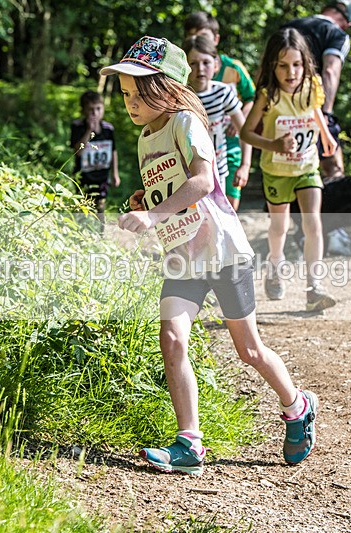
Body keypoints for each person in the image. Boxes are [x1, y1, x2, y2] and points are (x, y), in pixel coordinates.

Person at [101, 36, 318, 475]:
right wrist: (147, 199)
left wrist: (154, 213)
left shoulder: (186, 122)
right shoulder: (146, 139)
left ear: (166, 87)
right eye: (125, 93)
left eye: (138, 92)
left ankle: (297, 407)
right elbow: (173, 185)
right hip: (182, 255)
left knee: (250, 351)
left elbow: (202, 181)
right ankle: (190, 443)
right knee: (172, 337)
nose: (130, 102)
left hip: (223, 251)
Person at [240, 28, 338, 312]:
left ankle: (314, 287)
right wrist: (273, 144)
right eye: (283, 65)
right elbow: (246, 133)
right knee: (280, 226)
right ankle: (275, 265)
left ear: (305, 63)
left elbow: (315, 110)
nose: (291, 72)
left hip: (307, 167)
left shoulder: (312, 86)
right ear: (273, 65)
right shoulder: (266, 95)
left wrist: (326, 134)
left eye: (297, 64)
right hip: (276, 171)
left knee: (312, 223)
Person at [184, 11, 256, 210]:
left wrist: (245, 165)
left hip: (226, 153)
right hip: (190, 169)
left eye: (206, 63)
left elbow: (252, 99)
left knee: (226, 210)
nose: (200, 69)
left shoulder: (229, 78)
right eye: (194, 64)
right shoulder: (181, 94)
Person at [282, 0, 351, 180]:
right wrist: (326, 113)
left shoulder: (289, 28)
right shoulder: (337, 34)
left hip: (278, 107)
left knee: (282, 170)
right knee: (333, 168)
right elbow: (330, 70)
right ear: (346, 23)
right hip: (311, 107)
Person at [70, 90, 120, 220]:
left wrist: (115, 173)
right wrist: (89, 131)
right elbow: (78, 151)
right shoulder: (77, 127)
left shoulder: (108, 129)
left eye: (98, 108)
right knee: (82, 207)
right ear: (84, 110)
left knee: (100, 206)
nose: (95, 113)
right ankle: (80, 233)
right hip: (83, 176)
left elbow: (113, 151)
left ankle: (99, 234)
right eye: (91, 109)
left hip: (102, 176)